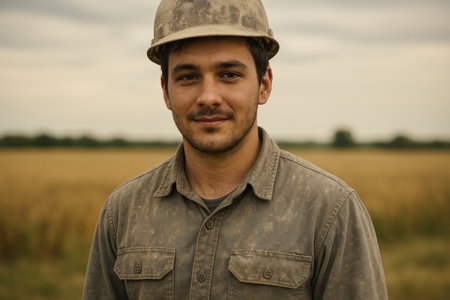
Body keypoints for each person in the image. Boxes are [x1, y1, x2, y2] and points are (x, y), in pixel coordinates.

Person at [83, 0, 388, 299]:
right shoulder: (122, 211)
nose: (208, 97)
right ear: (166, 91)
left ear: (264, 85)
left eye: (229, 74)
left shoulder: (330, 210)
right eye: (188, 77)